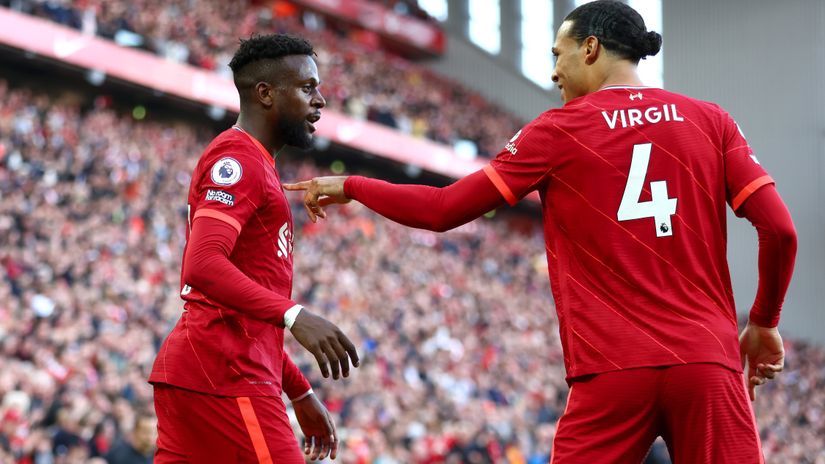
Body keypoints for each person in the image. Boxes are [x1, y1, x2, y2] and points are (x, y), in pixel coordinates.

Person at [284, 2, 797, 462]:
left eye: (559, 54)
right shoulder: (711, 121)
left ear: (590, 48)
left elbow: (442, 209)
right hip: (707, 362)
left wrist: (351, 184)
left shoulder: (557, 130)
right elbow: (779, 230)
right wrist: (765, 322)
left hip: (611, 371)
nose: (553, 71)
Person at [149, 34, 359, 463]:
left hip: (206, 371)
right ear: (265, 93)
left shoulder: (258, 161)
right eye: (307, 87)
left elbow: (241, 314)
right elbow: (203, 266)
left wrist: (298, 390)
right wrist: (295, 315)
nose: (319, 100)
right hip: (227, 376)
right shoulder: (239, 158)